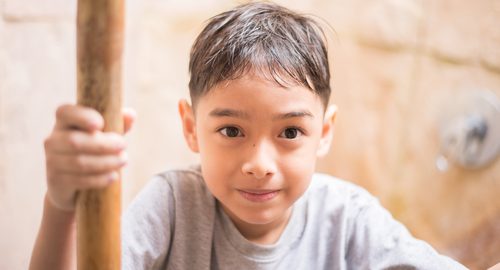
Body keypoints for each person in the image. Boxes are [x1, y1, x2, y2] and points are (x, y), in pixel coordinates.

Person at [30, 2, 469, 269]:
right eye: (232, 130)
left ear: (325, 132)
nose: (259, 162)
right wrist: (61, 204)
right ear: (191, 128)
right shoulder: (173, 206)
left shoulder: (347, 218)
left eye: (291, 132)